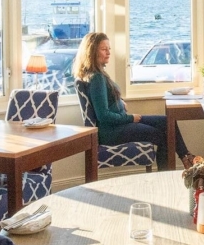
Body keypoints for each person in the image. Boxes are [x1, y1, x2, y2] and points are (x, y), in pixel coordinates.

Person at [73, 32, 192, 169]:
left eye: (109, 49)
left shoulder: (95, 74)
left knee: (167, 121)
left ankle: (186, 157)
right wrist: (131, 118)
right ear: (92, 52)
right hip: (112, 131)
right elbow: (103, 116)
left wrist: (119, 100)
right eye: (104, 49)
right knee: (163, 136)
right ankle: (170, 172)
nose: (108, 53)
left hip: (118, 125)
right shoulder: (96, 78)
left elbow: (104, 99)